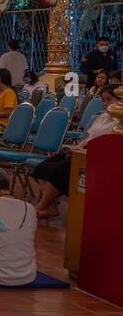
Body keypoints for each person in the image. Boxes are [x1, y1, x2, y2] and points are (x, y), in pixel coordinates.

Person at [31, 83, 119, 219]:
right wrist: (76, 149)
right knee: (43, 167)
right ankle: (51, 206)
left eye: (109, 100)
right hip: (82, 152)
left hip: (97, 158)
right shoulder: (103, 117)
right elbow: (89, 137)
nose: (105, 104)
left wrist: (81, 152)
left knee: (60, 170)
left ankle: (42, 206)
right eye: (103, 100)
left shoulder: (119, 123)